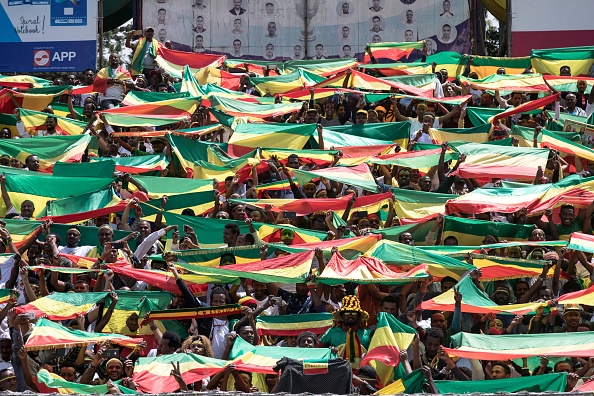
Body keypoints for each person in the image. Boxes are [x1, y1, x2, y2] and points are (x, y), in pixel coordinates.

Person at [320, 295, 371, 372]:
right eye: (347, 313)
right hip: (337, 373)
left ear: (358, 316)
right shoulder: (331, 332)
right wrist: (329, 351)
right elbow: (319, 351)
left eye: (353, 313)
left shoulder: (367, 334)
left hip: (362, 376)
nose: (350, 315)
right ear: (342, 315)